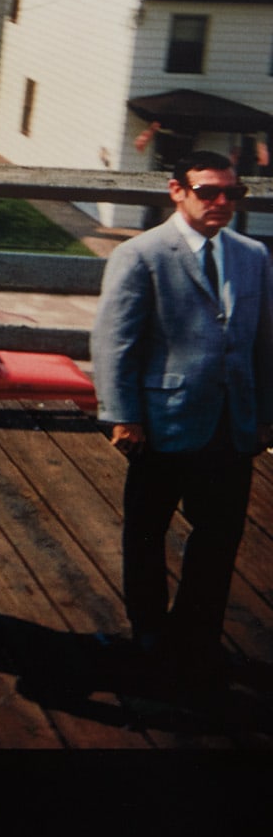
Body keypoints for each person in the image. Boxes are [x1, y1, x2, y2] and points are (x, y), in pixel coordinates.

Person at [92, 151, 273, 687]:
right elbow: (113, 342)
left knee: (219, 536)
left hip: (231, 422)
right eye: (208, 192)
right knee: (147, 532)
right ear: (177, 191)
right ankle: (148, 629)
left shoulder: (253, 255)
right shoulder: (141, 255)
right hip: (161, 420)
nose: (222, 203)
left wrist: (265, 413)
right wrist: (122, 415)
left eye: (232, 194)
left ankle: (197, 635)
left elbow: (266, 340)